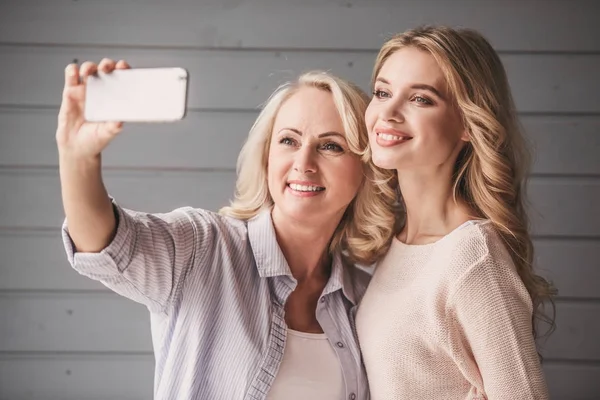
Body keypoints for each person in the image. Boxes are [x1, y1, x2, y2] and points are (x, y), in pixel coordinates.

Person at [56, 59, 397, 399]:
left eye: (330, 146)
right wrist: (78, 158)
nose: (303, 163)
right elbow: (106, 246)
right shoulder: (203, 247)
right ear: (267, 156)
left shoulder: (364, 297)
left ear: (366, 168)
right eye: (289, 141)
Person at [355, 26, 556, 399]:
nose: (388, 112)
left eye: (421, 99)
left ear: (467, 122)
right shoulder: (394, 242)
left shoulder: (472, 257)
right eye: (382, 92)